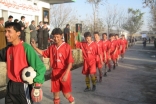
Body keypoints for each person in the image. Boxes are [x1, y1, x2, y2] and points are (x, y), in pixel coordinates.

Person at [0, 22, 46, 104]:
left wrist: (37, 85)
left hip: (23, 87)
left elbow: (40, 67)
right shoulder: (8, 49)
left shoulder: (26, 48)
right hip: (10, 86)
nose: (6, 34)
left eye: (9, 31)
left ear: (18, 33)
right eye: (5, 31)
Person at [31, 28, 75, 104]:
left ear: (61, 36)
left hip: (64, 72)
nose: (56, 39)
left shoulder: (67, 47)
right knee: (56, 94)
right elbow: (43, 53)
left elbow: (70, 62)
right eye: (54, 37)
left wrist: (66, 74)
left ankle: (72, 101)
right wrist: (34, 47)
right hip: (55, 72)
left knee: (66, 94)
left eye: (58, 37)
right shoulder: (52, 47)